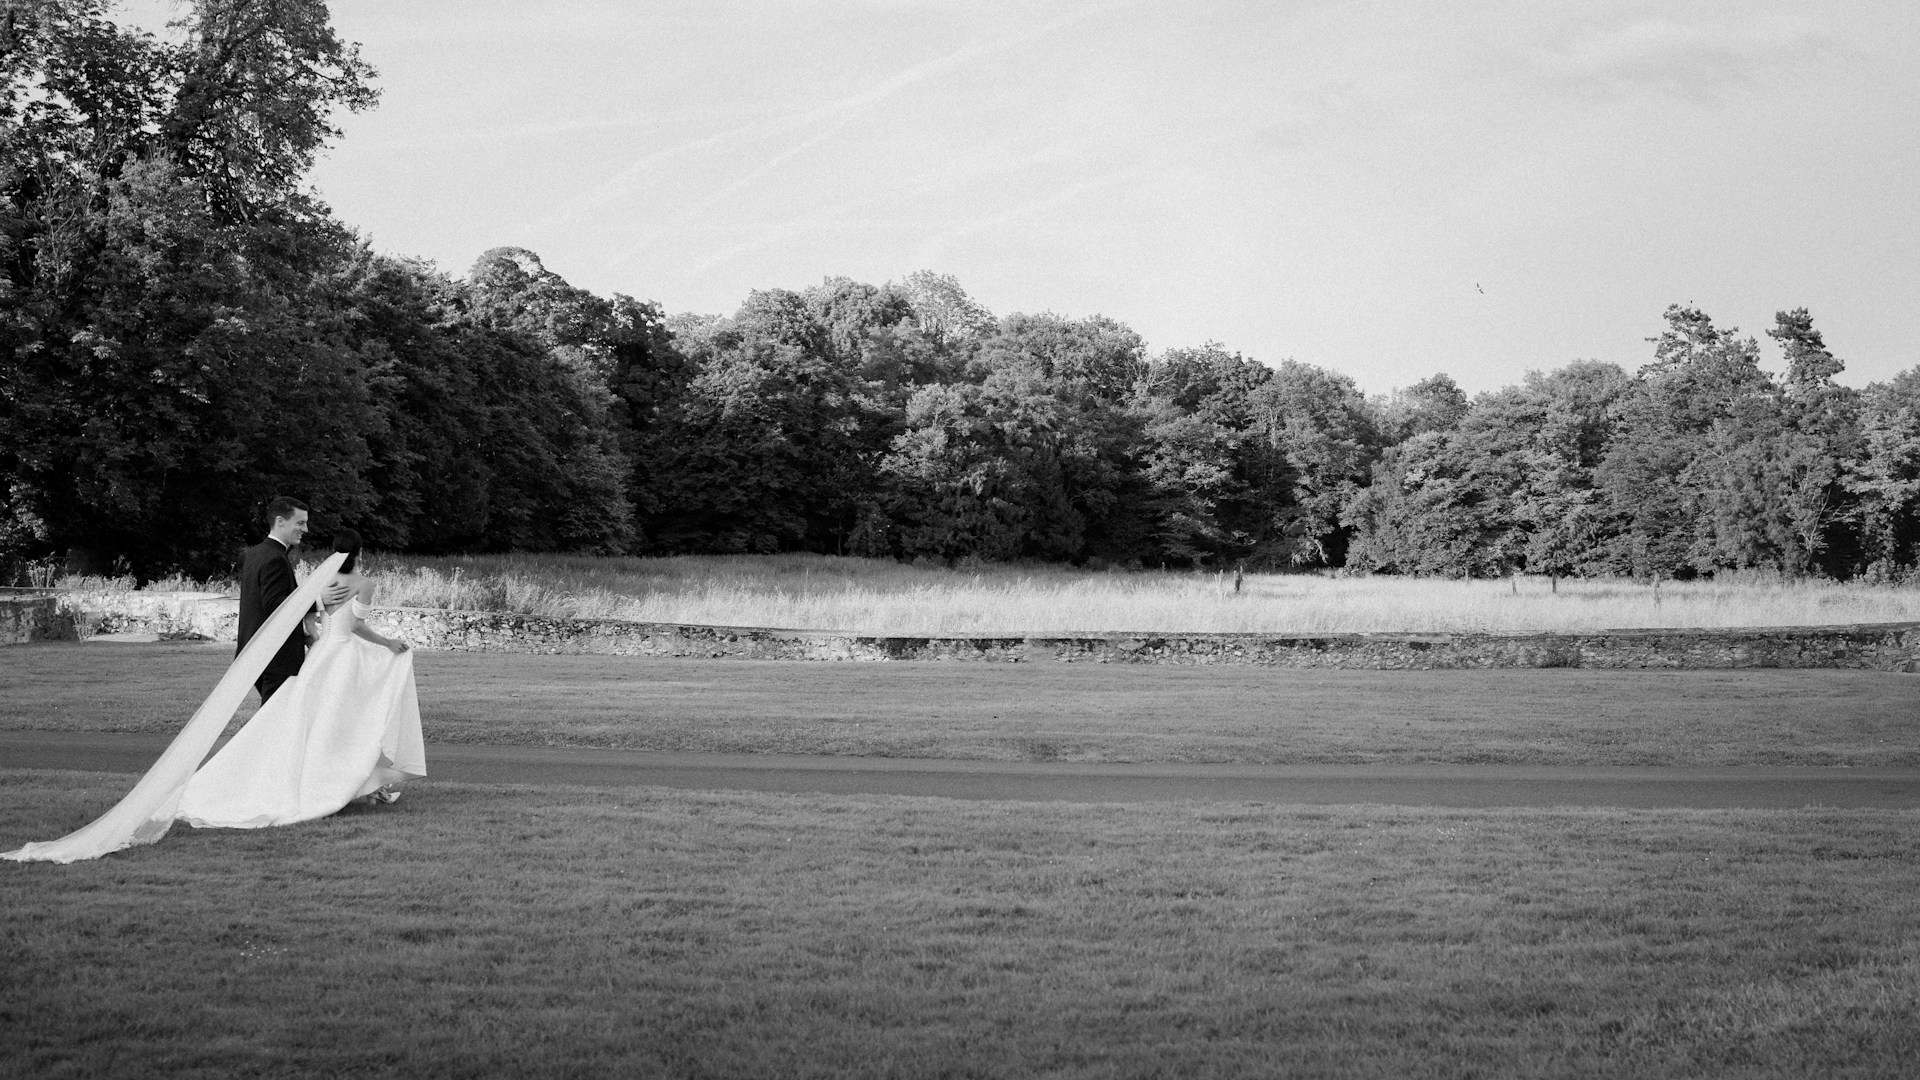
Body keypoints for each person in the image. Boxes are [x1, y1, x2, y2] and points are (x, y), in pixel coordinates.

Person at [176, 528, 426, 829]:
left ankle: (362, 784)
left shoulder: (321, 582)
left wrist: (314, 637)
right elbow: (357, 626)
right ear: (359, 554)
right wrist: (387, 643)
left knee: (314, 720)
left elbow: (309, 620)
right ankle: (346, 784)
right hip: (344, 655)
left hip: (320, 655)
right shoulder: (363, 583)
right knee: (350, 722)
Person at [238, 497, 348, 703]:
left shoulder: (257, 553)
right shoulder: (274, 558)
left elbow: (262, 606)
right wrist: (318, 600)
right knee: (276, 721)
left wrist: (304, 634)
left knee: (277, 718)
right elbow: (275, 605)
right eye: (300, 523)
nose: (305, 529)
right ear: (280, 522)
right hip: (274, 656)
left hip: (258, 652)